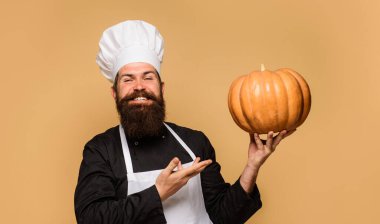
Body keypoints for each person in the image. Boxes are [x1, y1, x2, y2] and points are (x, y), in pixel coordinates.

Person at [74, 20, 295, 224]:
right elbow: (91, 218)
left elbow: (221, 216)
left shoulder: (194, 142)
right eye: (128, 79)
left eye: (148, 77)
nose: (139, 86)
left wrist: (252, 166)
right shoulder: (101, 150)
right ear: (114, 93)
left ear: (162, 88)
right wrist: (157, 193)